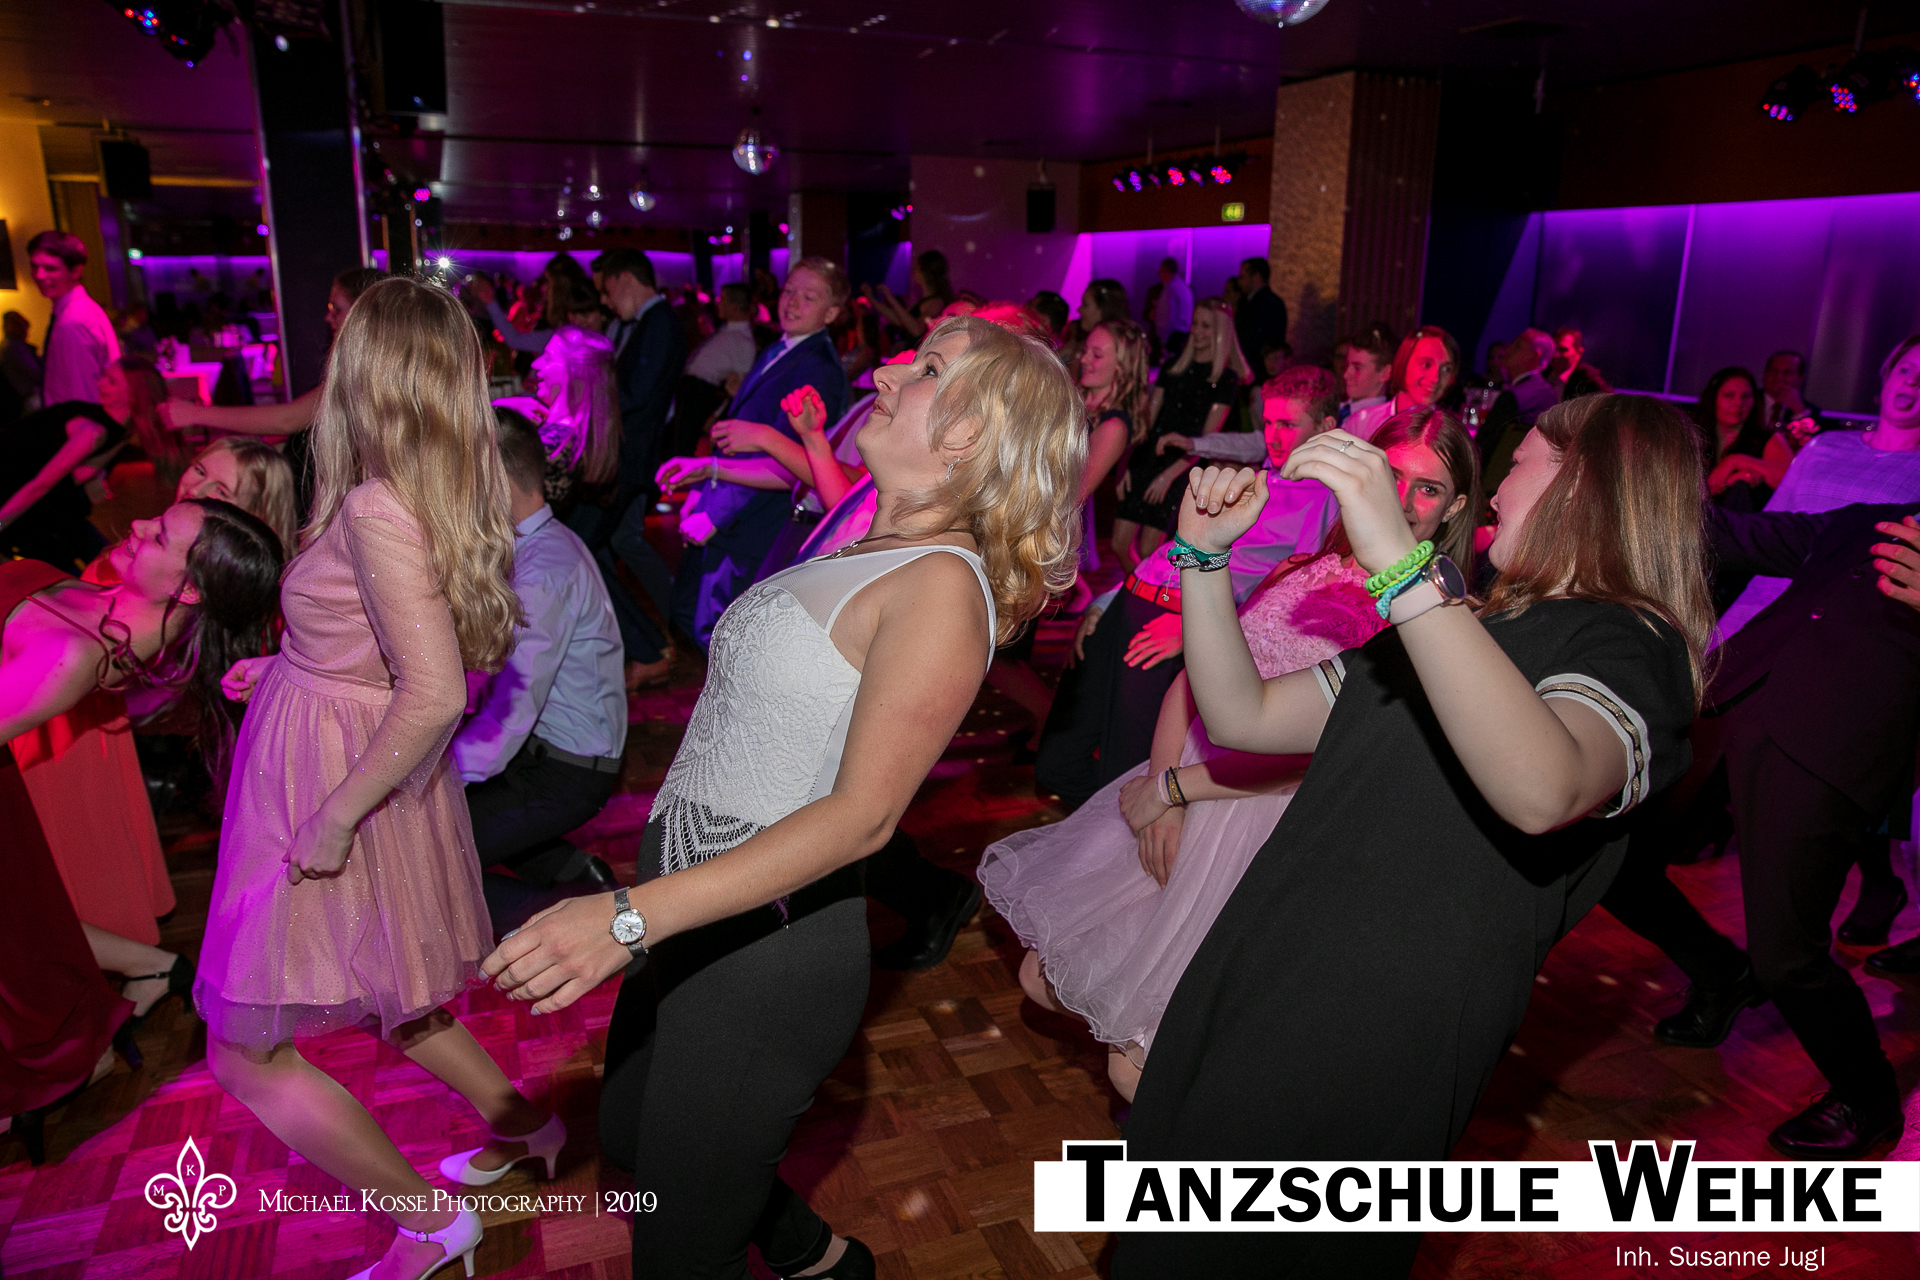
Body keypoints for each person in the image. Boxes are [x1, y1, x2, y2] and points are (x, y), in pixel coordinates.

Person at [483, 314, 1085, 1280]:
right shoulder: (868, 538)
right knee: (633, 1140)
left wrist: (628, 918)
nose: (885, 374)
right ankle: (814, 1253)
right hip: (695, 901)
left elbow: (864, 818)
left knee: (680, 1251)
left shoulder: (941, 586)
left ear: (971, 431)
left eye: (926, 368)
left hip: (767, 947)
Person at [1116, 393, 1709, 1279]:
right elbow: (1243, 713)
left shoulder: (1630, 643)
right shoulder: (1469, 623)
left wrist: (1402, 568)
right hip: (1275, 946)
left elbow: (1543, 788)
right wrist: (1204, 559)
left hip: (1381, 1016)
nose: (1497, 487)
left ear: (1584, 482)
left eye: (1519, 463)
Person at [194, 278, 557, 1280]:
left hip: (334, 784)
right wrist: (289, 665)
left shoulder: (374, 504)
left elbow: (434, 693)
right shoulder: (427, 488)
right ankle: (528, 1128)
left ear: (367, 370)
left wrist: (336, 816)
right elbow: (398, 648)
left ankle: (430, 1224)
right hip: (339, 753)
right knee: (397, 994)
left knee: (244, 1050)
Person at [985, 407, 1478, 1102]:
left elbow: (1329, 760)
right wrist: (1160, 787)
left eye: (1427, 489)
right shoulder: (1307, 565)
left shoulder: (1428, 615)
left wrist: (1178, 790)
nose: (1400, 500)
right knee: (1044, 979)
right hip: (1186, 779)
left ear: (1455, 507)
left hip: (1258, 827)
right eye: (1389, 475)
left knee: (1140, 1066)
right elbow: (1197, 680)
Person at [0, 498, 282, 1159]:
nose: (136, 527)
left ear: (188, 589)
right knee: (23, 924)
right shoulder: (110, 600)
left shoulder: (76, 655)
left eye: (157, 537)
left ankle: (68, 1051)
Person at [1035, 364, 1343, 811]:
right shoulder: (1254, 477)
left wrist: (1194, 630)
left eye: (1288, 424)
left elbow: (1288, 596)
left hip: (1176, 621)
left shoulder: (1325, 500)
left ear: (1326, 426)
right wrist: (1104, 601)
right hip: (1130, 600)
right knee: (1057, 761)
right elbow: (1172, 550)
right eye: (1269, 422)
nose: (1273, 435)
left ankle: (1120, 844)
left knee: (1124, 776)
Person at [456, 409, 627, 928]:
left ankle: (587, 926)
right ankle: (585, 880)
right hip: (549, 756)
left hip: (568, 771)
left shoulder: (543, 572)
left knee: (439, 861)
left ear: (496, 479)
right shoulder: (543, 544)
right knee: (477, 823)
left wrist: (437, 773)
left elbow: (512, 710)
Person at [668, 257, 851, 648]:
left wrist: (715, 512)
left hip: (753, 520)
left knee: (721, 634)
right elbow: (736, 439)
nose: (792, 302)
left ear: (832, 313)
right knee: (695, 618)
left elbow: (789, 463)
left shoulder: (819, 368)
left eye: (809, 297)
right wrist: (702, 492)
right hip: (730, 507)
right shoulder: (779, 348)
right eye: (789, 291)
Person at [1716, 335, 1920, 639]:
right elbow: (1767, 526)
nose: (1912, 381)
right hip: (1762, 601)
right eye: (1904, 370)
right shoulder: (1823, 445)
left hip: (1838, 623)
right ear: (1887, 376)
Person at [163, 266, 389, 518]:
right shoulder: (364, 367)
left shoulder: (371, 373)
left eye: (335, 308)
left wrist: (194, 414)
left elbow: (287, 419)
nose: (328, 317)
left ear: (363, 314)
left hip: (324, 508)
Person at [1111, 299, 1249, 570]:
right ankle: (1136, 590)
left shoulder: (1224, 379)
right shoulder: (1174, 366)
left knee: (1149, 550)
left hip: (1183, 466)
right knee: (1119, 543)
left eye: (1206, 326)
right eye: (1195, 324)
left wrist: (1168, 477)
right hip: (1147, 457)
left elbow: (1206, 442)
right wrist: (1125, 463)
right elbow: (1146, 423)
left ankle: (1144, 592)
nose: (1197, 331)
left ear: (1221, 332)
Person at [0, 355, 169, 570]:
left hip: (24, 493)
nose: (100, 383)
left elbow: (71, 479)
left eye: (111, 381)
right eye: (104, 377)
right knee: (64, 546)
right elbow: (42, 484)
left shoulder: (114, 433)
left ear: (133, 396)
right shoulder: (95, 430)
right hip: (12, 484)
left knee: (69, 539)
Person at [28, 231, 120, 408]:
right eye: (34, 266)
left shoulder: (72, 321)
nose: (39, 275)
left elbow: (83, 399)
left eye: (50, 268)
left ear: (76, 271)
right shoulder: (80, 309)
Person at [672, 282, 757, 458]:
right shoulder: (728, 331)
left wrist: (716, 415)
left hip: (699, 390)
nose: (718, 303)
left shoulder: (743, 341)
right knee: (678, 442)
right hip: (692, 388)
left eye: (722, 299)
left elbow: (739, 388)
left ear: (735, 306)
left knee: (683, 445)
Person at [1475, 326, 1560, 494]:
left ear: (1535, 356)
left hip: (1496, 484)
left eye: (1518, 346)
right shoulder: (1546, 393)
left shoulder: (1516, 397)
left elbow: (1481, 446)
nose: (1509, 350)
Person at [1696, 365, 1786, 512]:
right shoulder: (1695, 436)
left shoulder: (1768, 440)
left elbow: (1792, 481)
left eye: (1746, 396)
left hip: (1744, 523)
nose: (1739, 403)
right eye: (1729, 395)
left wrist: (1736, 461)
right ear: (1713, 398)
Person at [864, 248, 953, 343]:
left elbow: (917, 330)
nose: (913, 271)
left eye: (916, 268)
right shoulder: (924, 300)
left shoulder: (936, 302)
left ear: (925, 272)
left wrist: (890, 297)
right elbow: (899, 319)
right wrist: (872, 299)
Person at [1232, 257, 1288, 377]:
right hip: (1252, 369)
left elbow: (1267, 343)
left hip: (1256, 371)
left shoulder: (1267, 303)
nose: (1240, 282)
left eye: (1243, 277)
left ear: (1256, 276)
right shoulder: (1253, 302)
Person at [1337, 323, 1396, 425]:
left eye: (1357, 368)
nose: (1345, 375)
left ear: (1385, 373)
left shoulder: (1382, 425)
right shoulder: (1336, 409)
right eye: (1347, 365)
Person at [1761, 349, 1822, 432]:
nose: (1779, 377)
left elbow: (1811, 437)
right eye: (1774, 371)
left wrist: (1798, 410)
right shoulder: (1749, 398)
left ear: (1800, 378)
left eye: (1787, 373)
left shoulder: (1810, 412)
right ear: (1765, 374)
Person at [1, 310, 43, 422]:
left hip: (20, 399)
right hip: (25, 400)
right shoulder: (14, 347)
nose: (25, 330)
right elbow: (37, 375)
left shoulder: (10, 345)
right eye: (21, 325)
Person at [1153, 257, 1194, 362]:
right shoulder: (1184, 288)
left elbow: (1167, 315)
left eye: (1160, 271)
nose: (1160, 275)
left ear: (1165, 270)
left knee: (1169, 366)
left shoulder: (1171, 288)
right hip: (1183, 334)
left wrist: (1164, 339)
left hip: (1172, 337)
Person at [1552, 326, 1610, 400]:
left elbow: (1611, 401)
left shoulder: (1588, 378)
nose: (1556, 354)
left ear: (1579, 353)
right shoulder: (1544, 372)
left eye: (1563, 349)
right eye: (1553, 349)